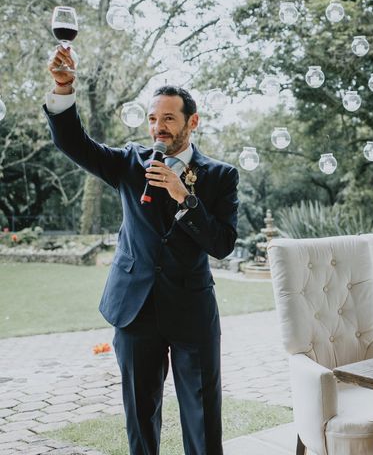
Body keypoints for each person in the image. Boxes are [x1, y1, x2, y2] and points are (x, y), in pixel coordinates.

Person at [44, 46, 239, 454]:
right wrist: (63, 90)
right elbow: (74, 143)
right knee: (139, 419)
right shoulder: (129, 163)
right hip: (135, 310)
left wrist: (186, 198)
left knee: (204, 420)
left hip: (192, 312)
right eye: (153, 119)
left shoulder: (221, 176)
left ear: (192, 122)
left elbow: (222, 245)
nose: (158, 128)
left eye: (168, 118)